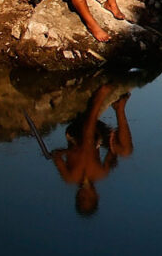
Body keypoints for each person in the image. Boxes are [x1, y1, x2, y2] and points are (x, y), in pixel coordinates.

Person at [51, 84, 134, 216]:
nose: (85, 194)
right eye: (89, 198)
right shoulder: (101, 173)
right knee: (126, 151)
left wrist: (69, 152)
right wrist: (113, 152)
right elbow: (112, 155)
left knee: (87, 143)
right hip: (95, 135)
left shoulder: (70, 178)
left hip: (75, 134)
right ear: (96, 196)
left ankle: (99, 98)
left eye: (82, 198)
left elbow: (56, 156)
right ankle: (119, 108)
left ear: (77, 196)